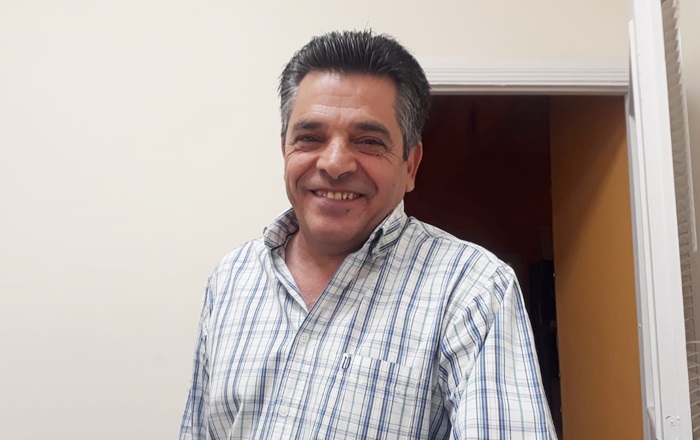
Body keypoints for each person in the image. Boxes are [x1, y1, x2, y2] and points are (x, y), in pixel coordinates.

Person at [180, 30, 556, 439]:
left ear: (410, 165)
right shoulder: (231, 277)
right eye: (310, 138)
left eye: (369, 141)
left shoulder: (474, 289)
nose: (335, 163)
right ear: (285, 149)